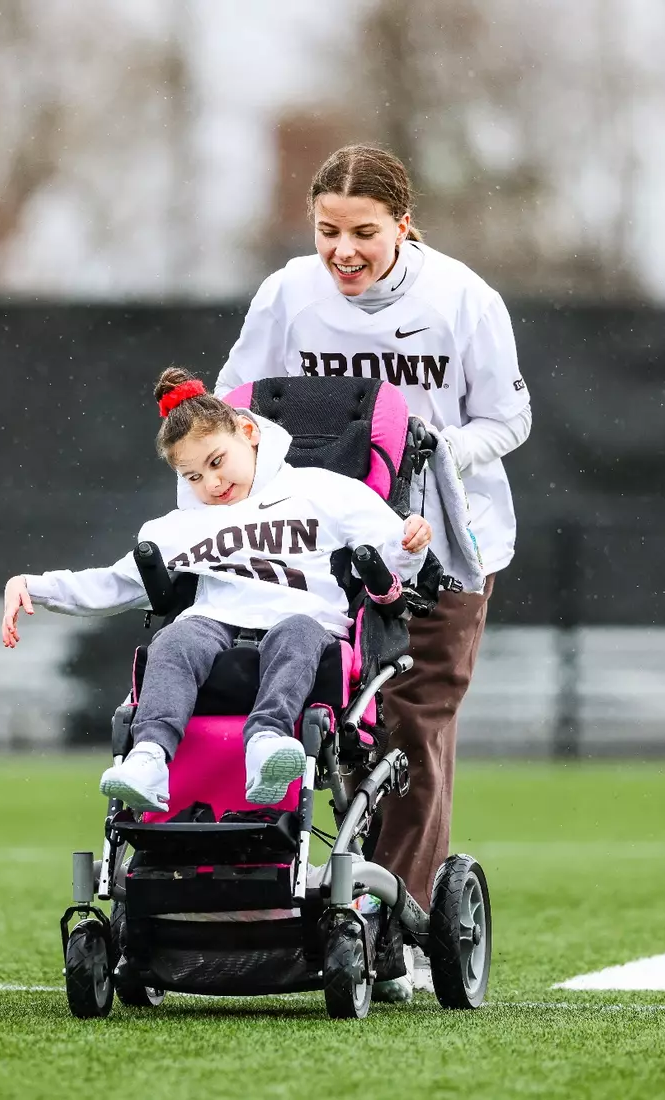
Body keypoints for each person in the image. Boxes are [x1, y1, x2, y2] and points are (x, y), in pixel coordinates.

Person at [215, 143, 531, 1000]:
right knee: (331, 720)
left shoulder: (463, 300)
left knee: (413, 725)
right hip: (315, 546)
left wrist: (436, 450)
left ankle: (397, 929)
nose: (342, 251)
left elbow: (509, 416)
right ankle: (296, 901)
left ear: (403, 224)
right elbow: (234, 402)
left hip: (439, 542)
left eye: (363, 232)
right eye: (327, 231)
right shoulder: (288, 294)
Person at [1, 368, 432, 810]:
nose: (210, 483)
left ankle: (266, 743)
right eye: (191, 476)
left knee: (297, 632)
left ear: (247, 431)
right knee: (174, 638)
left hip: (304, 617)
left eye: (216, 461)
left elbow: (391, 555)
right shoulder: (182, 525)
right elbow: (116, 584)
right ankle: (149, 757)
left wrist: (410, 543)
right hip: (217, 622)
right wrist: (33, 586)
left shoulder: (322, 490)